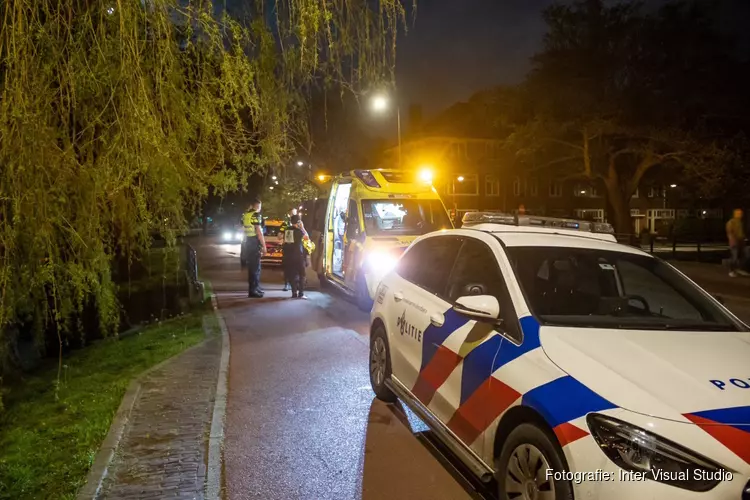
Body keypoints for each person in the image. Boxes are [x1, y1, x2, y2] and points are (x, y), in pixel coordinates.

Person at [242, 198, 266, 297]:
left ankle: (255, 287)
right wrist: (264, 246)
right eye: (259, 206)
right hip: (254, 242)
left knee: (254, 267)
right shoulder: (256, 215)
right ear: (257, 206)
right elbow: (259, 232)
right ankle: (253, 291)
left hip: (248, 241)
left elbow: (242, 228)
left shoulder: (246, 215)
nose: (260, 208)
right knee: (255, 268)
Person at [282, 214, 307, 298]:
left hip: (289, 256)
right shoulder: (299, 231)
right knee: (302, 275)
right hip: (298, 256)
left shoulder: (286, 230)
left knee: (292, 274)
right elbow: (307, 237)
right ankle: (301, 293)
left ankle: (294, 293)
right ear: (298, 222)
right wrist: (302, 227)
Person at [280, 207, 298, 291]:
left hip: (297, 249)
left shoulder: (300, 224)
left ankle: (296, 284)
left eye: (295, 213)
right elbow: (279, 236)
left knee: (297, 267)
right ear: (289, 215)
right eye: (292, 214)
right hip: (288, 249)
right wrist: (285, 234)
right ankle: (287, 284)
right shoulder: (285, 224)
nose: (293, 215)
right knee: (287, 267)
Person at [726, 208, 748, 277]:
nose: (740, 215)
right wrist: (733, 241)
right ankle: (731, 270)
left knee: (743, 256)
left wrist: (743, 238)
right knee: (734, 257)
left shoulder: (740, 222)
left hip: (740, 241)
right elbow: (730, 233)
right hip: (735, 241)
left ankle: (739, 269)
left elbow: (740, 232)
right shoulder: (731, 222)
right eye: (739, 213)